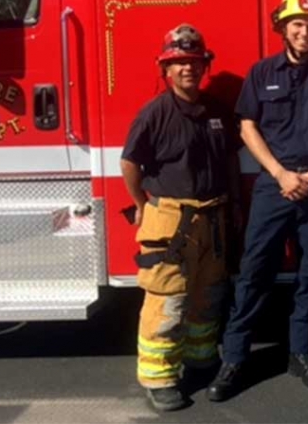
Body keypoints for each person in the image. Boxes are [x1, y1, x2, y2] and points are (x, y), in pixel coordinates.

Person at [207, 0, 308, 402]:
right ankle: (234, 358)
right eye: (297, 24)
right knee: (254, 271)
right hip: (275, 184)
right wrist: (280, 173)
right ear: (283, 29)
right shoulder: (261, 73)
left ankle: (302, 354)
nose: (305, 31)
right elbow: (247, 127)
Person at [120, 24, 238, 412]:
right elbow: (130, 162)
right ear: (166, 70)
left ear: (204, 66)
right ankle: (159, 378)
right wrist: (142, 204)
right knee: (167, 302)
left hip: (213, 217)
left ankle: (202, 359)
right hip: (171, 219)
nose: (188, 69)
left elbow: (232, 158)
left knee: (208, 296)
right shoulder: (155, 113)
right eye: (179, 63)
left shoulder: (217, 110)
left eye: (194, 62)